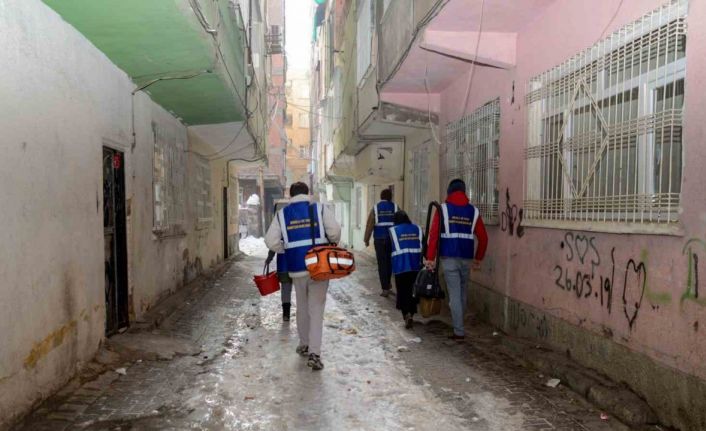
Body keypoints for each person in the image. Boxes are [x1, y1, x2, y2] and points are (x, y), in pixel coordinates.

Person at [265, 182, 341, 370]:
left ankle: (304, 343)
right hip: (319, 267)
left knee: (302, 307)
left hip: (296, 268)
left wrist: (286, 249)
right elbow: (335, 233)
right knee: (316, 309)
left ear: (291, 196)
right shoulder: (320, 209)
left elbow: (270, 241)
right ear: (307, 193)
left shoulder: (282, 214)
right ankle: (315, 353)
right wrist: (330, 242)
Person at [425, 179, 488, 341]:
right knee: (462, 292)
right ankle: (459, 323)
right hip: (466, 258)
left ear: (449, 191)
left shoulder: (443, 209)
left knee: (454, 295)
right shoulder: (473, 211)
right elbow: (483, 237)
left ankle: (459, 331)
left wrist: (430, 258)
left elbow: (433, 235)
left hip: (449, 258)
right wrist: (478, 258)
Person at [389, 210, 422, 329]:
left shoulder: (393, 231)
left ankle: (406, 314)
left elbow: (388, 248)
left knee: (402, 291)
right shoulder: (417, 229)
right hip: (415, 266)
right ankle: (411, 313)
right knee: (413, 290)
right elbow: (424, 246)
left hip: (400, 266)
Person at [364, 189, 398, 297]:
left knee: (382, 264)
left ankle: (385, 288)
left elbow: (369, 225)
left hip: (379, 240)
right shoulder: (395, 207)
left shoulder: (375, 208)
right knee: (389, 263)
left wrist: (366, 239)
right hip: (391, 240)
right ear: (390, 197)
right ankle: (388, 285)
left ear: (381, 196)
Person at [266, 249, 293, 321]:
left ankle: (286, 314)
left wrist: (269, 257)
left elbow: (274, 244)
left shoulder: (279, 239)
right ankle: (304, 313)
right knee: (301, 289)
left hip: (284, 264)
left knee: (286, 289)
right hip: (300, 264)